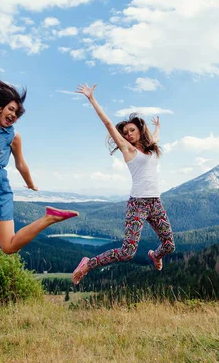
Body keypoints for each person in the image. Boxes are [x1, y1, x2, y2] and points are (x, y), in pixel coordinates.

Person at [0, 43, 78, 254]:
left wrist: (31, 184)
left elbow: (21, 164)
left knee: (8, 247)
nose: (13, 115)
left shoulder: (14, 137)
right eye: (11, 109)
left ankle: (49, 217)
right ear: (0, 108)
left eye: (17, 113)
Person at [71, 83, 175, 284]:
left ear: (140, 131)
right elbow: (109, 124)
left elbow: (155, 138)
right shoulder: (128, 150)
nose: (128, 134)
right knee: (127, 252)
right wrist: (92, 99)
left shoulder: (150, 148)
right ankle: (88, 264)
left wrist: (158, 127)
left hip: (155, 203)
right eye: (125, 132)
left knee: (169, 245)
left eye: (132, 130)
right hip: (138, 204)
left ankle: (156, 255)